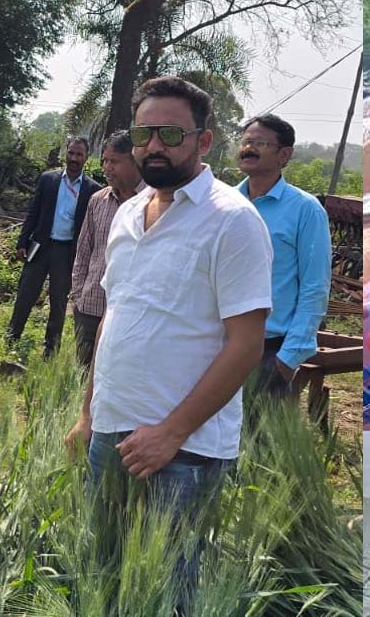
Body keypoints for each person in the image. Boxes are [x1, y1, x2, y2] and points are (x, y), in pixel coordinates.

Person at [64, 76, 273, 613]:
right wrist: (90, 413)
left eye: (169, 134)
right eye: (144, 133)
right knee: (106, 580)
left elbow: (245, 345)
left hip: (182, 450)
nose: (153, 145)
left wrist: (171, 433)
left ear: (203, 142)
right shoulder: (129, 214)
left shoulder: (233, 221)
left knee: (167, 594)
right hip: (112, 433)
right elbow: (115, 317)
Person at [234, 114, 331, 398]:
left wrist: (287, 360)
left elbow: (315, 286)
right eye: (245, 142)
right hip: (216, 346)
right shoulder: (225, 204)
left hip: (269, 351)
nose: (248, 148)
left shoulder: (305, 210)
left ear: (284, 155)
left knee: (260, 441)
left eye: (260, 143)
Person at [7, 137, 101, 357]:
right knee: (25, 295)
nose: (74, 158)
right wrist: (22, 242)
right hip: (41, 245)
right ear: (65, 154)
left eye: (79, 155)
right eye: (71, 153)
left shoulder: (92, 190)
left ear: (86, 157)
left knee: (58, 302)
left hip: (67, 251)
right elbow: (33, 212)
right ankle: (11, 339)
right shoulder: (48, 180)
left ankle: (51, 350)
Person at [69, 130, 144, 367]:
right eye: (104, 160)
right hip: (90, 306)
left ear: (135, 160)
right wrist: (78, 295)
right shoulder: (98, 200)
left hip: (129, 314)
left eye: (114, 161)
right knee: (83, 377)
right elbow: (84, 252)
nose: (106, 167)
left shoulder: (152, 204)